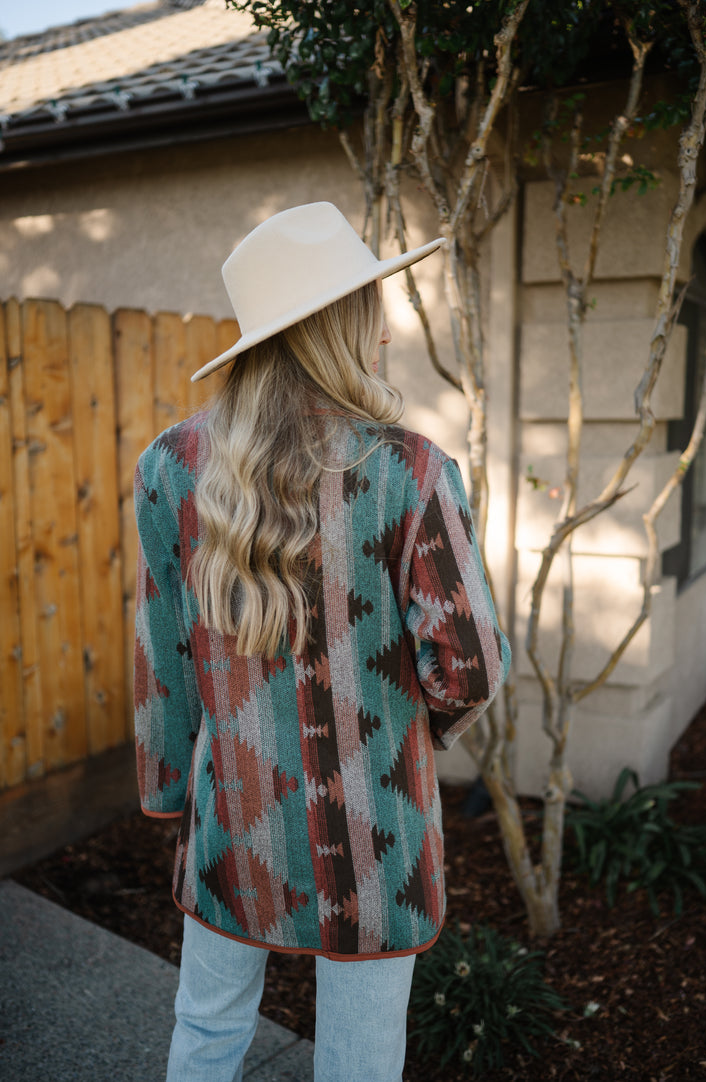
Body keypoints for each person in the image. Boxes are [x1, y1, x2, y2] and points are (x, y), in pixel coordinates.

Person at [134, 201, 511, 1082]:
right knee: (361, 1062)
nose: (382, 334)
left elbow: (165, 660)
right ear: (334, 326)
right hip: (378, 831)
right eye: (368, 308)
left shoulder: (170, 466)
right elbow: (470, 665)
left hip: (232, 818)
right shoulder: (413, 471)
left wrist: (165, 793)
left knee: (207, 1031)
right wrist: (419, 729)